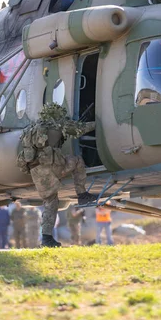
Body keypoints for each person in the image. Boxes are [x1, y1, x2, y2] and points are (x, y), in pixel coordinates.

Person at [17, 103, 97, 247]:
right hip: (54, 166)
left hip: (37, 171)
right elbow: (80, 129)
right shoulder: (58, 124)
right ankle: (82, 195)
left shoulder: (31, 130)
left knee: (51, 203)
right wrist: (97, 123)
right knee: (77, 161)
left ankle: (46, 239)